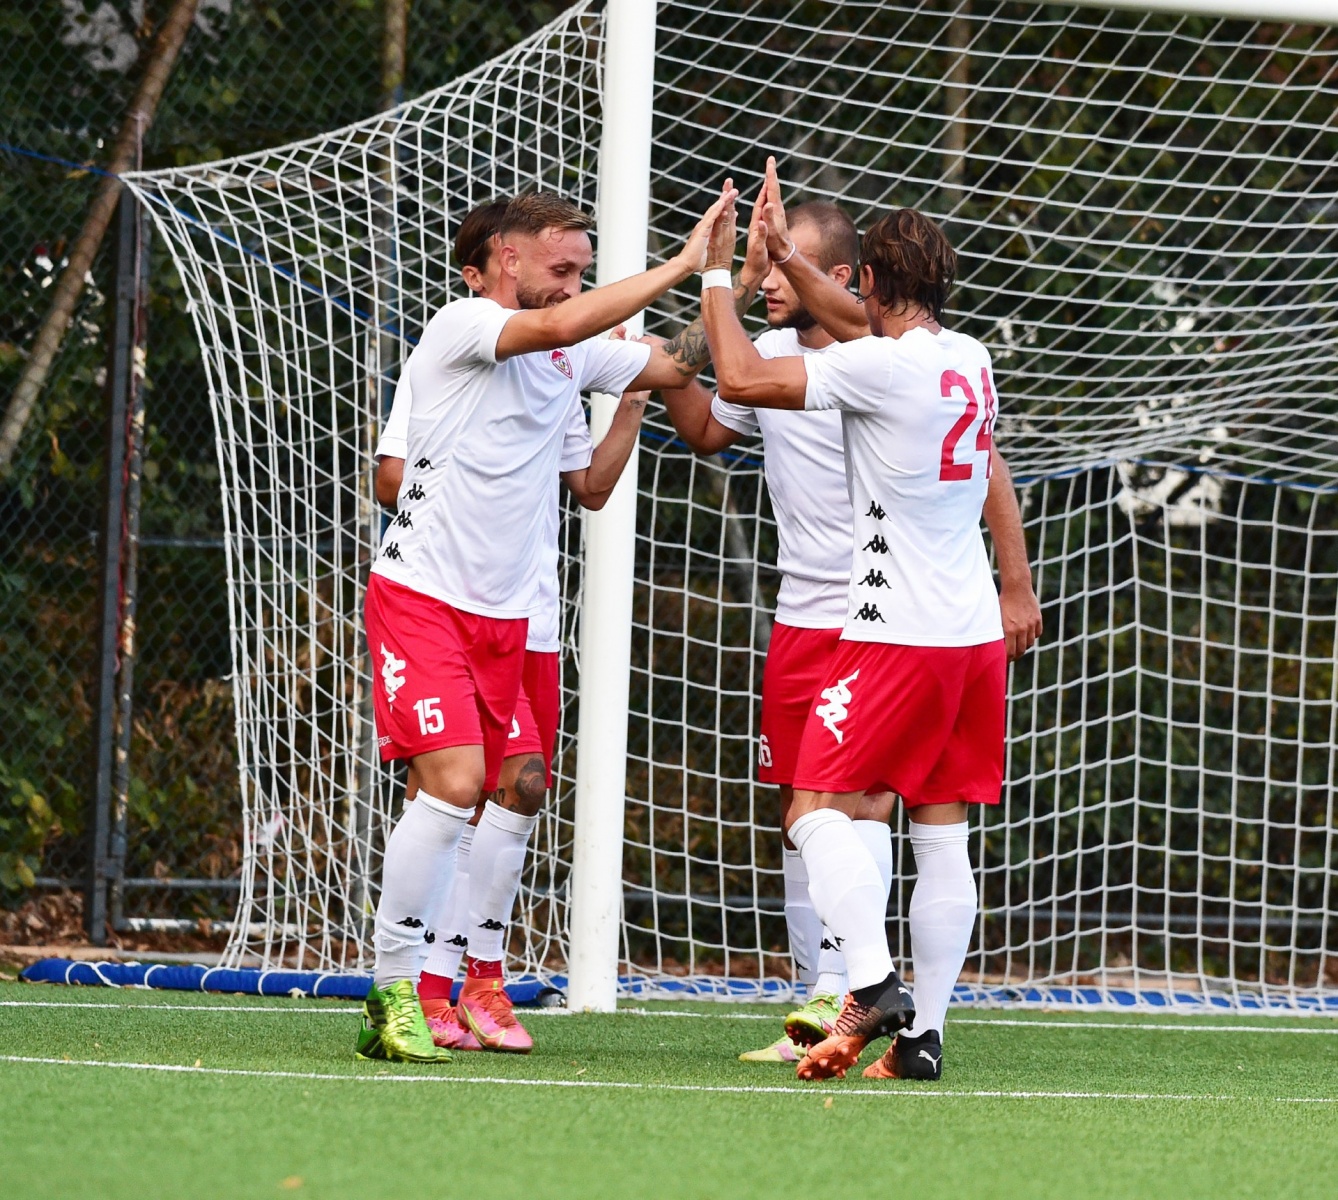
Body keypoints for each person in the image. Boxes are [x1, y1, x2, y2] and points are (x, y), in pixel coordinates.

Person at [358, 182, 738, 1063]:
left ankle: (475, 980)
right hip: (423, 598)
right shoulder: (461, 326)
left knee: (520, 787)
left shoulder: (571, 353)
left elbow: (676, 362)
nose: (572, 285)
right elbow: (565, 330)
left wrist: (734, 278)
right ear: (507, 258)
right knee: (453, 784)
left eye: (582, 272)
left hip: (513, 614)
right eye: (561, 268)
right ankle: (397, 986)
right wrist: (681, 262)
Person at [662, 181, 1039, 1065]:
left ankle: (866, 988)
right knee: (942, 830)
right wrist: (786, 262)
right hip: (970, 636)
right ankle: (927, 1036)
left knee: (816, 811)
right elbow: (858, 326)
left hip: (893, 631)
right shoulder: (970, 357)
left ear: (865, 278)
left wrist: (719, 277)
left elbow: (747, 377)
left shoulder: (875, 365)